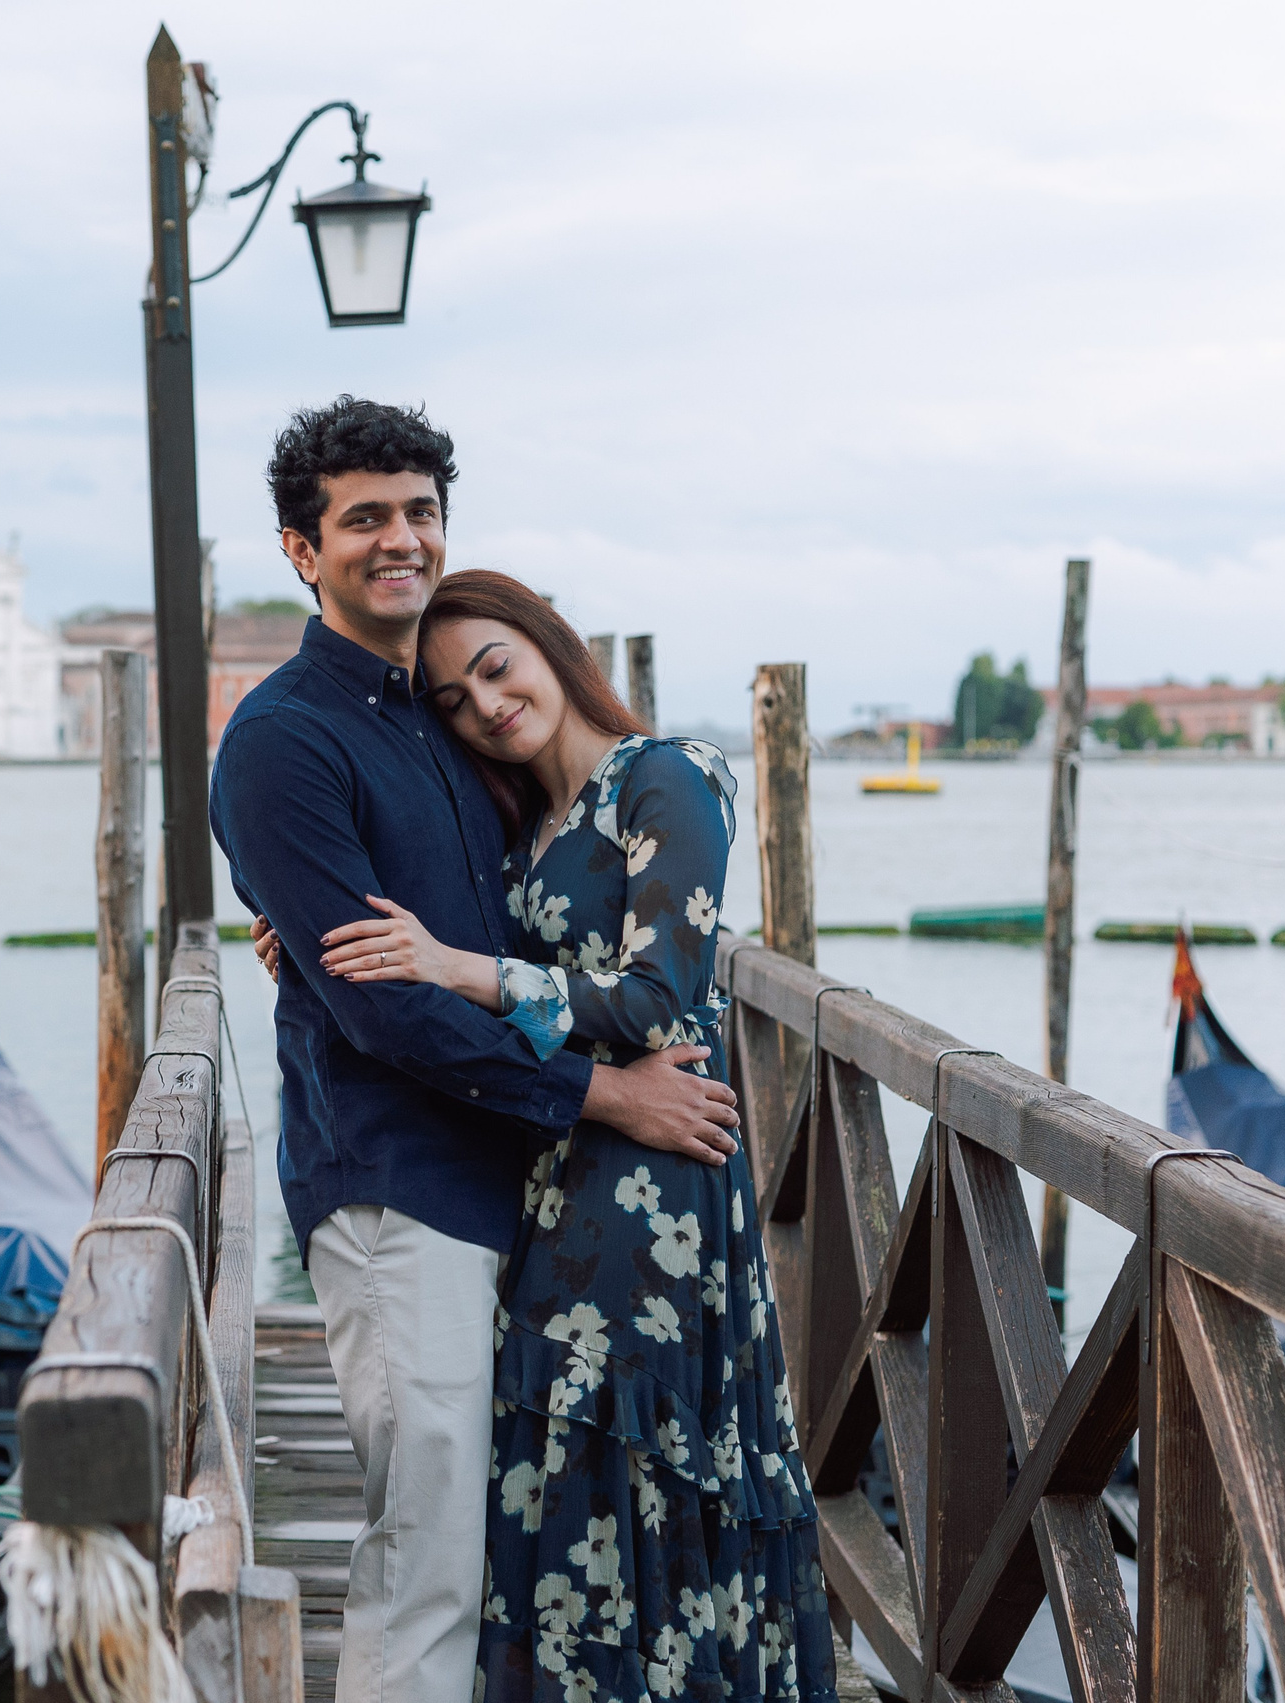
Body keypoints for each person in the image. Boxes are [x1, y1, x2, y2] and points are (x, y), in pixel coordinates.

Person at [209, 398, 750, 1703]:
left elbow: (529, 925)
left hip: (527, 1183)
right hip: (401, 1187)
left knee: (518, 1535)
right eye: (365, 518)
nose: (401, 539)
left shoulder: (441, 720)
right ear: (301, 548)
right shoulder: (283, 739)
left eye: (420, 512)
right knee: (435, 1540)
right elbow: (382, 1004)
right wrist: (601, 1089)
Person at [296, 567, 833, 1701]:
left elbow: (652, 999)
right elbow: (427, 940)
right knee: (553, 1477)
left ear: (549, 644)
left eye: (496, 666)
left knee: (634, 1464)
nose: (486, 704)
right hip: (542, 1176)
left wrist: (458, 967)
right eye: (451, 699)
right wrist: (294, 929)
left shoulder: (668, 778)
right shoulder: (522, 826)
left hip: (651, 1186)